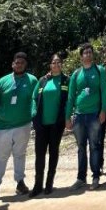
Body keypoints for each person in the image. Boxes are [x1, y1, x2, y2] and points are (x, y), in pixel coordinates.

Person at [0, 52, 38, 204]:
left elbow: (35, 99)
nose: (19, 64)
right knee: (1, 157)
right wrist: (0, 114)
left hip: (23, 125)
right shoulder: (3, 82)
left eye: (22, 62)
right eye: (17, 62)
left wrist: (33, 115)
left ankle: (20, 183)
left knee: (20, 154)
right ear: (12, 64)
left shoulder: (32, 80)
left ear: (25, 65)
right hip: (4, 127)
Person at [66, 43, 106, 191]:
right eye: (85, 53)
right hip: (79, 116)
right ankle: (81, 178)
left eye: (90, 52)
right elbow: (71, 97)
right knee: (81, 147)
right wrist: (67, 117)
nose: (88, 55)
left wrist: (103, 111)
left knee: (95, 146)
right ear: (81, 56)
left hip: (94, 115)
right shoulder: (76, 74)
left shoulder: (100, 70)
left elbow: (104, 91)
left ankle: (95, 176)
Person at [29, 54, 69, 197]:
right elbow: (34, 98)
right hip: (41, 124)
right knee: (39, 154)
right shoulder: (43, 80)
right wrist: (34, 114)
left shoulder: (66, 80)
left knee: (53, 152)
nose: (56, 64)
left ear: (61, 64)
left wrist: (67, 116)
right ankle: (37, 184)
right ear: (50, 65)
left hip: (57, 124)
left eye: (58, 62)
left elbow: (70, 100)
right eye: (53, 62)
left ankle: (49, 183)